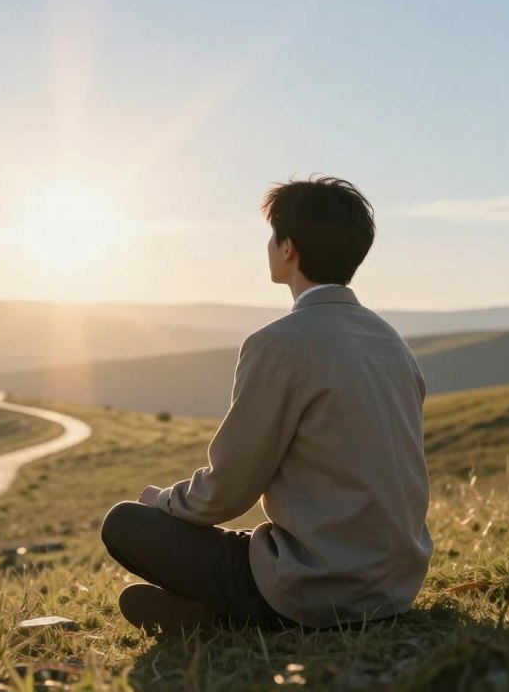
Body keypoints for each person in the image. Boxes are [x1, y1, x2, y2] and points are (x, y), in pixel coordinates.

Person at [100, 176, 433, 633]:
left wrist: (165, 503)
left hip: (320, 587)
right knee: (249, 546)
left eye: (272, 236)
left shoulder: (277, 346)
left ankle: (236, 616)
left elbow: (227, 490)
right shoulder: (391, 342)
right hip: (395, 586)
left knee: (124, 523)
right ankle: (212, 616)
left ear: (288, 249)